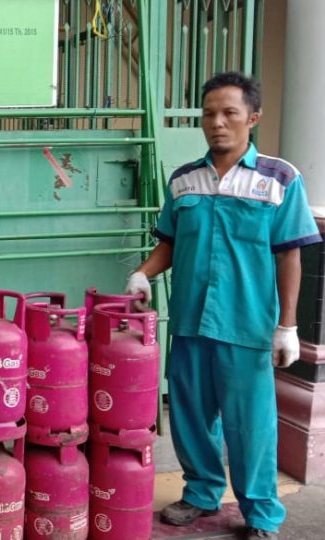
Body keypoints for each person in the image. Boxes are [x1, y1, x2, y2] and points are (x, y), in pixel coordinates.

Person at [126, 72, 321, 540]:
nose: (218, 122)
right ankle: (201, 492)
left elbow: (289, 253)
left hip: (247, 327)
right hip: (190, 323)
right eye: (209, 113)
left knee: (250, 426)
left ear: (252, 118)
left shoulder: (279, 178)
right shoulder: (184, 180)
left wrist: (287, 326)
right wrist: (142, 273)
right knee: (191, 415)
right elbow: (170, 241)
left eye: (230, 113)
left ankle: (260, 514)